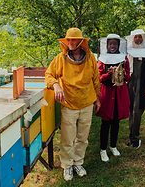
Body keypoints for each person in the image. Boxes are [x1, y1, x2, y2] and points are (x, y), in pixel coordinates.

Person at [45, 27, 101, 181]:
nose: (70, 42)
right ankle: (67, 165)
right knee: (68, 138)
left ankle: (78, 162)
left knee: (83, 137)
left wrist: (97, 97)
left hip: (87, 102)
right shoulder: (60, 59)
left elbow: (95, 79)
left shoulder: (90, 58)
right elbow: (49, 75)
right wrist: (56, 85)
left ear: (81, 42)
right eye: (68, 39)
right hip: (69, 103)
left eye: (73, 39)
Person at [96, 34, 130, 162]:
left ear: (118, 45)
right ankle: (103, 149)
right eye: (110, 44)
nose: (112, 46)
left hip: (119, 93)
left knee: (116, 121)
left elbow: (128, 77)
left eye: (114, 44)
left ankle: (113, 146)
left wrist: (121, 73)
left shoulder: (124, 58)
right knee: (105, 122)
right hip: (107, 93)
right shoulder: (102, 59)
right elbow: (99, 78)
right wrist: (107, 74)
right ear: (107, 45)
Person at [125, 29, 145, 148]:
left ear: (143, 38)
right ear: (132, 39)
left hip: (142, 86)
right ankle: (131, 137)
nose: (138, 39)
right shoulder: (128, 52)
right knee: (131, 112)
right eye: (135, 37)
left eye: (140, 37)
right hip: (130, 84)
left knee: (137, 112)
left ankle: (135, 138)